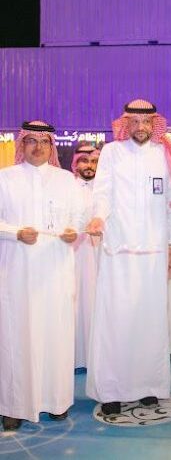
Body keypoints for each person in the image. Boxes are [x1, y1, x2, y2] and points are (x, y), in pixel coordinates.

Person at [85, 99, 171, 415]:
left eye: (146, 122)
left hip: (154, 252)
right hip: (119, 250)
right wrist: (98, 217)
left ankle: (148, 387)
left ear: (154, 124)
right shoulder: (112, 152)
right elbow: (102, 193)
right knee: (117, 320)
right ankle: (111, 390)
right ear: (125, 124)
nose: (141, 127)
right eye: (135, 122)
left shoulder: (166, 154)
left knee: (150, 322)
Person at [0, 121, 83, 430]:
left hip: (55, 271)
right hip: (17, 272)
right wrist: (14, 232)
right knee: (16, 335)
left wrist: (74, 232)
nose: (38, 147)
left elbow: (78, 217)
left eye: (44, 142)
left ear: (51, 147)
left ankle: (56, 401)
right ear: (22, 144)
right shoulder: (5, 178)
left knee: (55, 333)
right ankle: (14, 405)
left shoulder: (66, 180)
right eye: (31, 141)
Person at [70, 142, 101, 369]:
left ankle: (96, 357)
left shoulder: (105, 190)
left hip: (101, 254)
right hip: (75, 254)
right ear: (75, 164)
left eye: (94, 162)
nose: (89, 166)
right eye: (84, 161)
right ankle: (75, 356)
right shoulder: (68, 188)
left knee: (97, 302)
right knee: (76, 302)